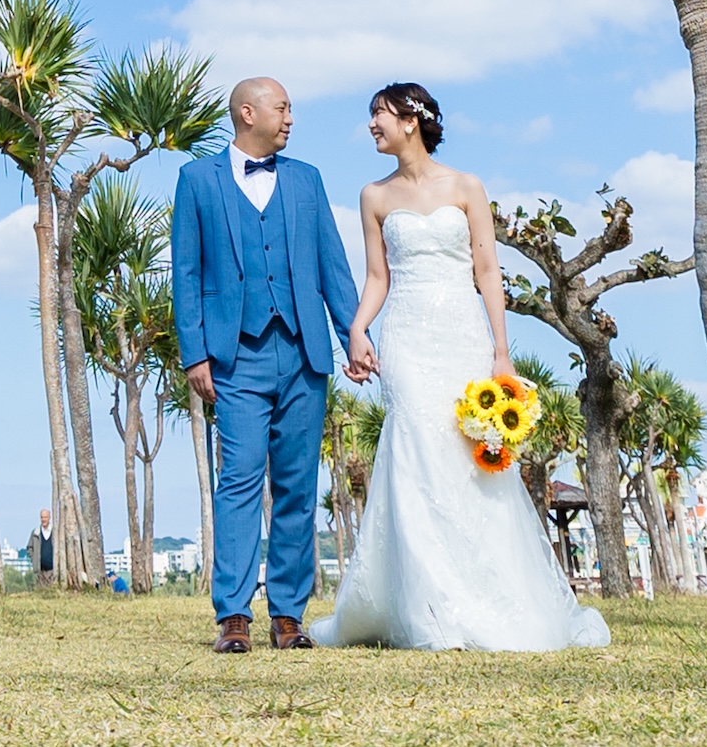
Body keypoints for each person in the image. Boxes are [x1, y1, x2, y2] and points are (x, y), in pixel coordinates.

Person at [311, 81, 611, 653]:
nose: (371, 125)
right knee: (416, 454)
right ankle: (429, 609)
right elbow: (378, 278)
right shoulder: (373, 196)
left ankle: (488, 594)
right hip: (406, 335)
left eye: (379, 114)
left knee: (469, 460)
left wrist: (501, 351)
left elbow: (487, 271)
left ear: (411, 119)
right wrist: (355, 329)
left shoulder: (467, 186)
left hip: (463, 335)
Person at [170, 75, 364, 652]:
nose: (291, 118)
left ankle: (288, 614)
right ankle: (233, 614)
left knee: (299, 486)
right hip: (234, 357)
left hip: (303, 351)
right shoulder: (196, 180)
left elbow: (334, 265)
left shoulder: (307, 180)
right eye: (282, 108)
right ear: (247, 113)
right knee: (239, 481)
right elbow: (185, 273)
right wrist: (194, 353)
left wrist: (353, 334)